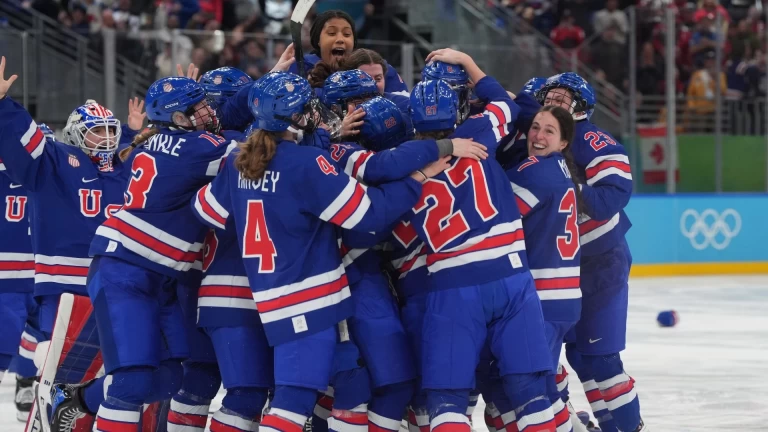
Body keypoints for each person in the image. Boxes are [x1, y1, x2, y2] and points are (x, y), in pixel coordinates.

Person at [191, 71, 445, 432]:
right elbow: (368, 213)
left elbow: (206, 210)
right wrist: (418, 179)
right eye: (306, 108)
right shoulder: (307, 163)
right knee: (293, 402)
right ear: (293, 117)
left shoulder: (239, 161)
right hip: (307, 299)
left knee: (348, 382)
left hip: (272, 294)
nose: (314, 112)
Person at [47, 75, 234, 431]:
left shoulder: (157, 143)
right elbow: (257, 150)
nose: (210, 112)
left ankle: (76, 399)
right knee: (132, 381)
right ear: (178, 118)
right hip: (127, 271)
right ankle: (76, 400)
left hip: (156, 276)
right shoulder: (199, 147)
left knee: (169, 378)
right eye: (199, 107)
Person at [407, 47, 556, 432]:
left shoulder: (398, 159)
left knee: (447, 399)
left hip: (450, 287)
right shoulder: (477, 132)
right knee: (530, 391)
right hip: (510, 278)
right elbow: (506, 104)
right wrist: (469, 63)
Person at [537, 72, 644, 432]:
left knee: (600, 359)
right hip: (560, 265)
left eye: (565, 98)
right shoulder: (535, 132)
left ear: (581, 108)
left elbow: (611, 198)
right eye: (550, 95)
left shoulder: (594, 141)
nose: (555, 102)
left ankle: (623, 427)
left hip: (600, 262)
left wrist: (566, 185)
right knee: (571, 357)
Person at [495, 105, 585, 432]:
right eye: (535, 127)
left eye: (549, 130)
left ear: (563, 142)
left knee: (534, 390)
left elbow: (495, 213)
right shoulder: (563, 171)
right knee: (544, 383)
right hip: (564, 298)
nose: (539, 135)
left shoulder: (534, 169)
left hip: (542, 299)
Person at [296, 9, 409, 95]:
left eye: (347, 34)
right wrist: (278, 71)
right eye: (331, 33)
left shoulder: (377, 67)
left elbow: (406, 108)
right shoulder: (300, 68)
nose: (340, 39)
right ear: (318, 40)